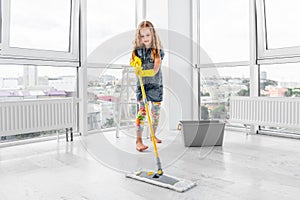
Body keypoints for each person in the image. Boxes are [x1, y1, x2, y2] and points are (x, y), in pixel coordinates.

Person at [130, 20, 165, 152]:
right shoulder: (136, 51)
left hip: (156, 85)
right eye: (142, 36)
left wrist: (144, 71)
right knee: (142, 112)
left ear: (153, 35)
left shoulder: (157, 51)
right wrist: (135, 64)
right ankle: (138, 140)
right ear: (138, 37)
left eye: (147, 35)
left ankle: (152, 135)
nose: (145, 38)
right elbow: (132, 60)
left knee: (155, 113)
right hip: (142, 86)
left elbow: (156, 68)